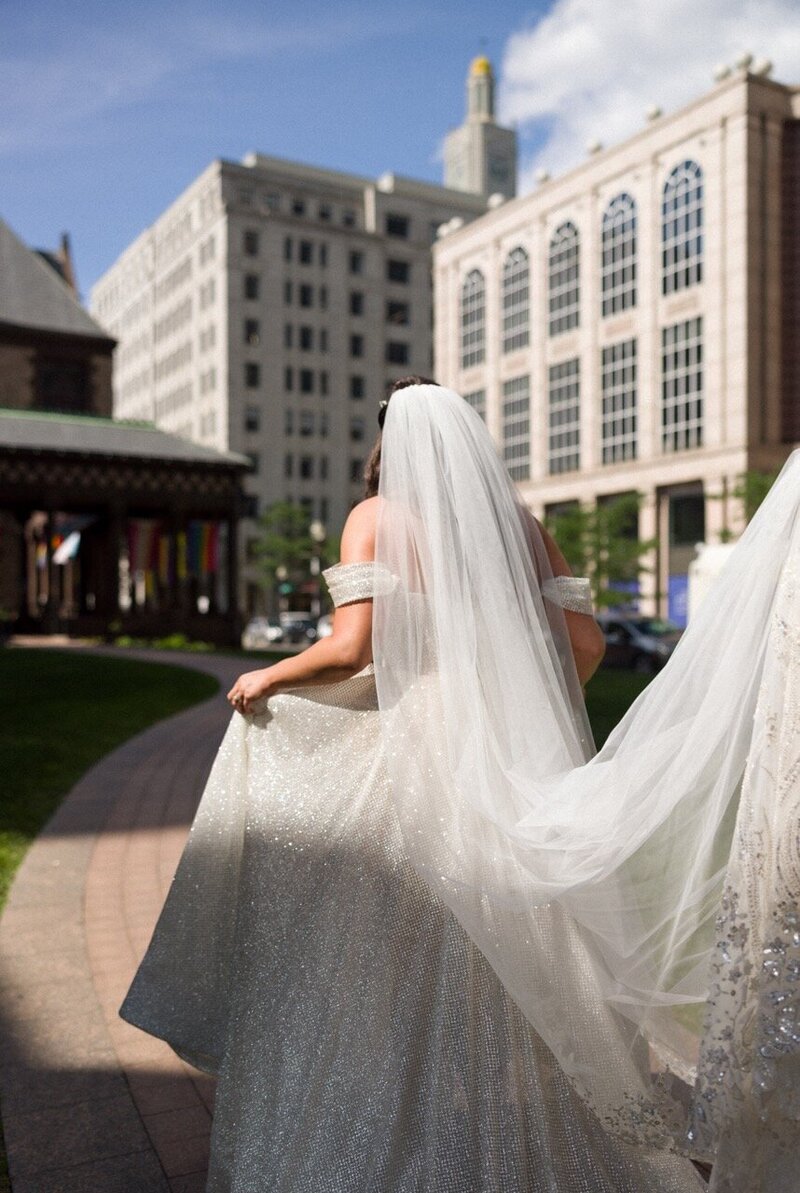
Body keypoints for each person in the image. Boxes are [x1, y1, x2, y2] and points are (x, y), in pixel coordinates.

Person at [121, 379, 799, 1192]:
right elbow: (584, 643)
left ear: (386, 446)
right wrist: (531, 711)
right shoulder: (522, 526)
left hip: (412, 749)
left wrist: (268, 675)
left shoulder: (374, 518)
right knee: (519, 952)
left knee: (386, 960)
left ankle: (399, 1132)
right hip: (513, 747)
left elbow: (352, 648)